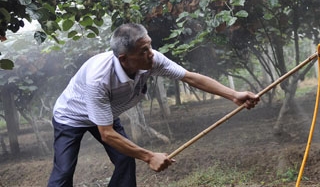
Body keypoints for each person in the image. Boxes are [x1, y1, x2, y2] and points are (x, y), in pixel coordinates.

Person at [47, 23, 259, 187]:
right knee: (64, 171)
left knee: (125, 159)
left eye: (149, 46)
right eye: (143, 50)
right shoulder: (99, 78)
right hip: (72, 116)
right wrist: (149, 156)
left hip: (106, 114)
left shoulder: (152, 59)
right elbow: (107, 134)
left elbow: (190, 78)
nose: (151, 54)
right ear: (124, 58)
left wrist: (233, 95)